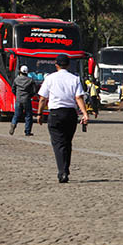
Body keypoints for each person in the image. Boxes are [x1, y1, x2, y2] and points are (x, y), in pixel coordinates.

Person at [36, 54, 89, 183]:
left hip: (55, 114)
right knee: (67, 142)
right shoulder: (75, 78)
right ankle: (65, 168)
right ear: (68, 65)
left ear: (56, 65)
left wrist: (39, 113)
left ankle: (62, 172)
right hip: (70, 113)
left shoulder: (50, 78)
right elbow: (79, 97)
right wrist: (85, 113)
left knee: (58, 144)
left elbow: (43, 98)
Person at [10, 65, 36, 136]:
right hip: (27, 99)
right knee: (28, 116)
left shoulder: (16, 80)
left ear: (20, 72)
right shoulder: (30, 80)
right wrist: (30, 95)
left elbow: (13, 89)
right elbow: (34, 90)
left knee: (16, 115)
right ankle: (27, 131)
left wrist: (17, 95)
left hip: (18, 99)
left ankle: (13, 124)